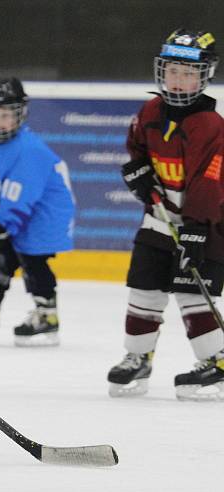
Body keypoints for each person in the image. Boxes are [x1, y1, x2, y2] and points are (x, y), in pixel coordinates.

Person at [107, 29, 224, 400]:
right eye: (173, 70)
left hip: (208, 225)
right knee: (143, 290)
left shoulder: (211, 126)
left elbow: (209, 183)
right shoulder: (151, 111)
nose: (179, 79)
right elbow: (137, 149)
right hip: (158, 221)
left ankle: (216, 363)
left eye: (189, 72)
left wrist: (195, 231)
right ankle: (137, 358)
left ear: (204, 75)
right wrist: (138, 172)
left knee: (193, 294)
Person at [0, 77, 75, 347]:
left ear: (19, 115)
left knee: (32, 261)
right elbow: (11, 192)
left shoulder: (28, 150)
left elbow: (22, 195)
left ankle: (48, 317)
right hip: (24, 210)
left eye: (5, 115)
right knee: (0, 257)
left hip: (45, 214)